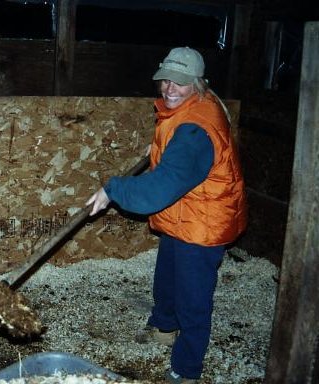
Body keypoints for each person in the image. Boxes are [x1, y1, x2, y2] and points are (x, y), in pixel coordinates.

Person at [87, 47, 247, 383]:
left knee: (193, 297)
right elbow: (178, 145)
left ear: (198, 83)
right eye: (166, 80)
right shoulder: (196, 106)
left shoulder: (195, 133)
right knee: (168, 275)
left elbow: (157, 191)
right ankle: (164, 326)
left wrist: (112, 189)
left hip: (204, 222)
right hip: (184, 210)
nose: (170, 88)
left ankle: (186, 369)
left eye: (181, 82)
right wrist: (158, 148)